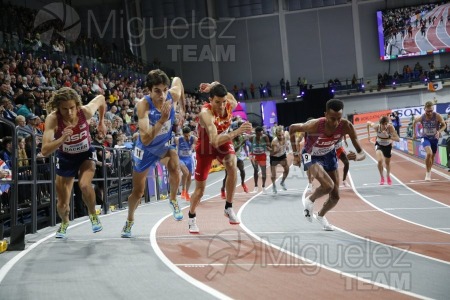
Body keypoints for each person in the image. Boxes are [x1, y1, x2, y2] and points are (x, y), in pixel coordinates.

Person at [121, 69, 185, 238]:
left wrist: (182, 107)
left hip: (164, 144)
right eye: (157, 91)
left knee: (174, 165)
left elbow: (177, 78)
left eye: (165, 90)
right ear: (149, 91)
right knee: (138, 192)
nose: (163, 95)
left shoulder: (173, 95)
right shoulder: (144, 105)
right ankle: (129, 220)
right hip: (146, 149)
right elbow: (146, 139)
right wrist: (163, 120)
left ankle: (172, 199)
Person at [289, 99, 366, 231]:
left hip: (329, 154)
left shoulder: (346, 126)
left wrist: (357, 157)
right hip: (309, 155)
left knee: (335, 196)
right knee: (328, 186)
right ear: (325, 115)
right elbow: (292, 128)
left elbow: (361, 153)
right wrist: (296, 154)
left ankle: (320, 216)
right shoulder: (314, 125)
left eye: (338, 118)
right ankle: (310, 199)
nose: (335, 123)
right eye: (332, 119)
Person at [41, 87, 107, 238]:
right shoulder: (52, 119)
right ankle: (64, 223)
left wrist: (101, 122)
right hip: (65, 158)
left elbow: (102, 99)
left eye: (72, 108)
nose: (69, 113)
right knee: (63, 203)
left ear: (77, 105)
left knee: (84, 185)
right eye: (64, 109)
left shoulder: (85, 111)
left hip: (85, 154)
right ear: (58, 108)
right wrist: (62, 139)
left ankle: (93, 215)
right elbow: (45, 150)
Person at [188, 82, 252, 234]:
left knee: (232, 164)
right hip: (206, 147)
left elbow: (226, 94)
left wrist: (213, 86)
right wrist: (237, 132)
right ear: (210, 100)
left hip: (223, 141)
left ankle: (228, 207)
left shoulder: (229, 102)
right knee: (200, 191)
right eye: (217, 102)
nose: (222, 106)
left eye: (223, 102)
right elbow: (214, 141)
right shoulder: (206, 113)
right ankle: (191, 216)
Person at [412, 101, 446, 181]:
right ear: (424, 109)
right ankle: (427, 174)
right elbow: (414, 122)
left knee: (432, 157)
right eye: (428, 111)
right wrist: (414, 134)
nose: (430, 113)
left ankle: (429, 170)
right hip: (425, 137)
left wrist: (439, 131)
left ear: (433, 109)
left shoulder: (437, 116)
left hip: (434, 138)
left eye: (431, 110)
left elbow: (444, 125)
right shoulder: (421, 117)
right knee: (429, 153)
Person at [367, 116, 400, 185]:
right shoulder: (376, 127)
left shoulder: (390, 127)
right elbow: (368, 123)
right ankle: (382, 177)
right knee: (379, 161)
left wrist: (388, 136)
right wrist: (368, 134)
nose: (385, 126)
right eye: (383, 124)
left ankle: (388, 176)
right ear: (380, 124)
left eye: (386, 124)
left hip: (388, 146)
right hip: (379, 145)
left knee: (387, 163)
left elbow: (398, 139)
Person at [220, 126, 249, 199]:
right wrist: (240, 144)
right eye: (237, 134)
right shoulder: (229, 140)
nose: (238, 135)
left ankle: (243, 183)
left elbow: (248, 137)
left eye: (238, 134)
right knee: (227, 175)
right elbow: (233, 150)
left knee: (242, 170)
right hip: (230, 157)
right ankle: (223, 189)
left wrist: (247, 137)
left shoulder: (240, 137)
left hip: (238, 157)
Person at [175, 126, 197, 201]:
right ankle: (183, 190)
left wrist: (192, 145)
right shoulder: (178, 139)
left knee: (189, 176)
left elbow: (194, 146)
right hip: (181, 159)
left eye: (188, 135)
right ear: (182, 134)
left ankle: (186, 192)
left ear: (190, 133)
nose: (187, 137)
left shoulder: (193, 138)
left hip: (189, 159)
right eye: (185, 136)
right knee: (185, 173)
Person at [249, 126, 271, 193]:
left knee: (263, 171)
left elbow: (268, 145)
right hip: (254, 156)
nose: (262, 133)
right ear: (256, 132)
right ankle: (256, 187)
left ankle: (263, 187)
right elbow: (251, 144)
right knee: (255, 171)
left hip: (262, 156)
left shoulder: (265, 137)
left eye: (262, 131)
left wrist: (267, 147)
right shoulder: (252, 137)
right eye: (260, 132)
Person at [269, 126, 290, 194]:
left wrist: (287, 146)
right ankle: (274, 185)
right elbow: (272, 153)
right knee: (274, 175)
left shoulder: (286, 135)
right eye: (279, 135)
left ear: (284, 133)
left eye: (282, 134)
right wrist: (277, 150)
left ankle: (282, 182)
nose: (281, 136)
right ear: (276, 135)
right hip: (274, 157)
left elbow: (291, 138)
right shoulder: (274, 142)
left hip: (282, 156)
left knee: (287, 169)